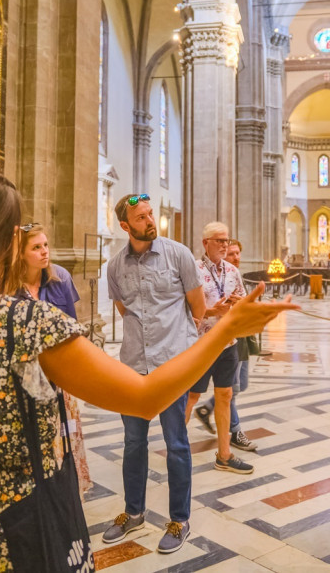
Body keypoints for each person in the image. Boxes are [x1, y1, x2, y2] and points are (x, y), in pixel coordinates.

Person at [0, 173, 297, 571]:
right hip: (20, 530)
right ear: (6, 241)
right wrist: (226, 331)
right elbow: (143, 397)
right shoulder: (27, 324)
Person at [101, 193, 209, 554]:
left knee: (176, 443)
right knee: (133, 443)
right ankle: (134, 512)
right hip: (134, 369)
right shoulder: (115, 267)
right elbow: (123, 310)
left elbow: (198, 307)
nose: (149, 221)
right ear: (125, 226)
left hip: (172, 367)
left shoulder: (178, 254)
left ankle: (179, 520)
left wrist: (180, 351)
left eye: (150, 214)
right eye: (141, 217)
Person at [8, 221, 92, 494]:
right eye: (36, 247)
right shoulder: (7, 285)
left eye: (45, 245)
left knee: (61, 437)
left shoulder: (61, 278)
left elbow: (72, 328)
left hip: (56, 373)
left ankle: (65, 492)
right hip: (21, 376)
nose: (44, 252)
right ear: (20, 254)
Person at [184, 223, 253, 474]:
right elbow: (185, 307)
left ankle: (224, 454)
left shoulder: (232, 271)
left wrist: (240, 304)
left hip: (228, 344)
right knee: (191, 396)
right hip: (202, 344)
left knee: (225, 396)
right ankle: (178, 451)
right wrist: (213, 311)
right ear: (206, 243)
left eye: (227, 240)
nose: (225, 245)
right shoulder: (194, 269)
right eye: (219, 240)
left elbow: (243, 302)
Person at [194, 238, 259, 452]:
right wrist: (213, 311)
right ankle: (235, 431)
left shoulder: (233, 274)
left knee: (239, 386)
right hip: (211, 339)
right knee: (229, 389)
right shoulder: (201, 270)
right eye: (231, 253)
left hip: (236, 338)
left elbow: (247, 304)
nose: (235, 257)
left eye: (237, 253)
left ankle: (208, 411)